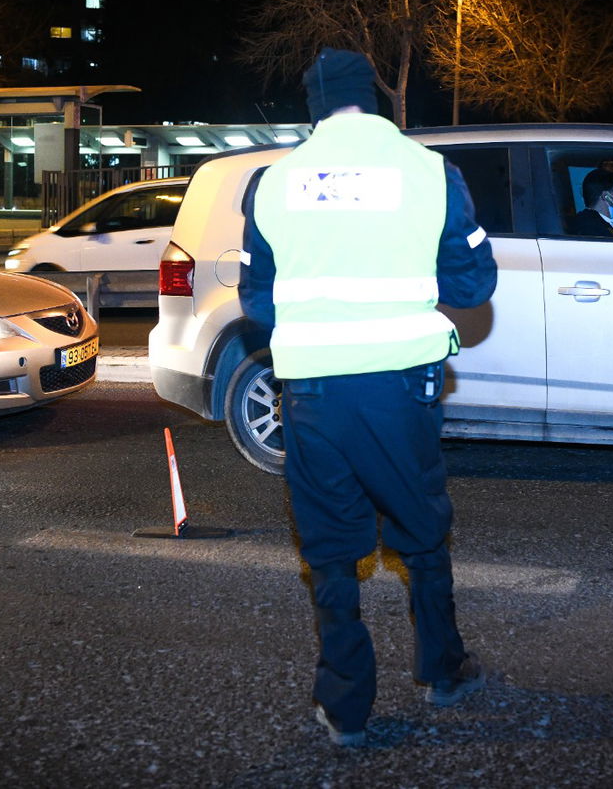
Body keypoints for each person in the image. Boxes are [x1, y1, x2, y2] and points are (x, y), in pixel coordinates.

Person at [239, 47, 497, 748]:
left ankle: (345, 708)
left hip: (312, 396)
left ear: (313, 106)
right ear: (372, 100)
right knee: (421, 533)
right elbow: (474, 287)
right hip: (400, 390)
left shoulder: (272, 182)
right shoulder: (430, 173)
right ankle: (444, 672)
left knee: (329, 549)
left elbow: (258, 305)